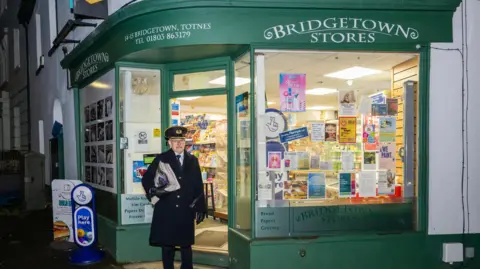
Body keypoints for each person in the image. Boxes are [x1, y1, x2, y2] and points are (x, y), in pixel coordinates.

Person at [141, 126, 206, 269]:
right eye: (175, 140)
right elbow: (146, 179)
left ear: (185, 142)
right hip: (166, 208)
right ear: (169, 142)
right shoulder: (161, 159)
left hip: (185, 209)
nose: (179, 143)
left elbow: (198, 185)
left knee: (186, 245)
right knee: (167, 245)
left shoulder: (192, 160)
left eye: (181, 140)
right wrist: (154, 194)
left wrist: (201, 207)